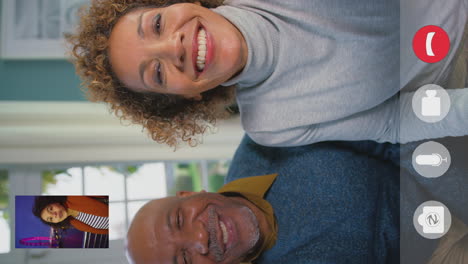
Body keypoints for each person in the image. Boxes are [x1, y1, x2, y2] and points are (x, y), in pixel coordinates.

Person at [69, 0, 468, 148]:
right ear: (183, 97)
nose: (173, 47)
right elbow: (393, 123)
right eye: (156, 72)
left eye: (155, 24)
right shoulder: (270, 127)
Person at [126, 135, 468, 264]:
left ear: (188, 194)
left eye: (180, 220)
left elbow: (389, 137)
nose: (200, 240)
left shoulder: (268, 141)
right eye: (183, 260)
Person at [32, 196, 109, 235]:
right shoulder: (76, 224)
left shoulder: (74, 196)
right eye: (51, 218)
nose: (54, 215)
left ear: (55, 202)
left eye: (51, 209)